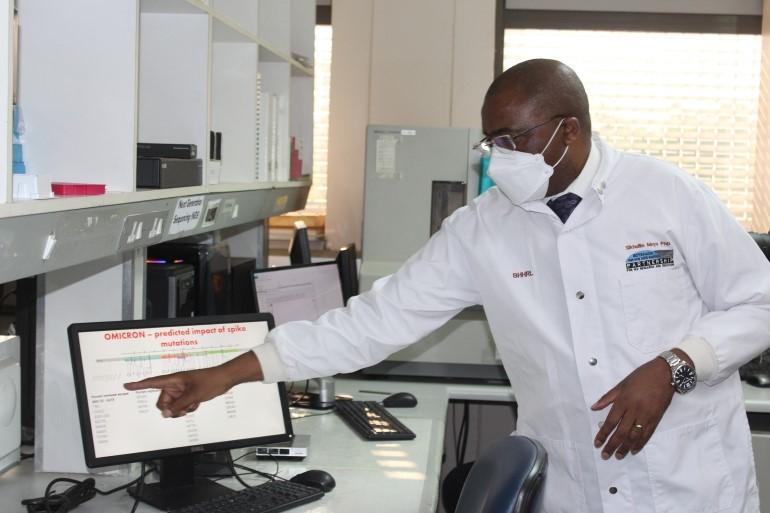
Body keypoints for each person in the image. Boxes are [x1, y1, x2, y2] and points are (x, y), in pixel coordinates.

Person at [126, 59, 770, 512]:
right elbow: (371, 324)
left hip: (690, 484)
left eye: (513, 138)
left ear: (568, 130)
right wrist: (227, 374)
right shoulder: (482, 230)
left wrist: (677, 366)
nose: (497, 157)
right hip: (575, 487)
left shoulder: (667, 196)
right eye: (492, 139)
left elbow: (760, 301)